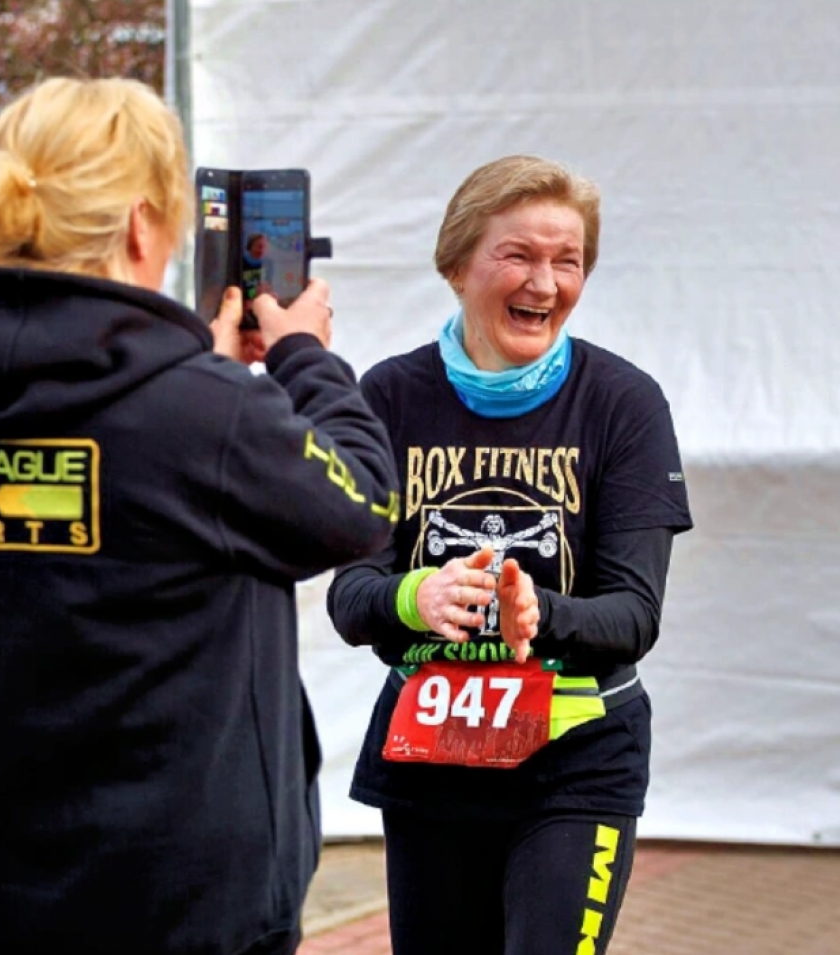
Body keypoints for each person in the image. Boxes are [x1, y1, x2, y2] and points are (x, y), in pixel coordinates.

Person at [0, 77, 399, 955]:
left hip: (7, 902)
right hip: (192, 910)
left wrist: (207, 382)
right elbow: (366, 504)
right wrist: (302, 355)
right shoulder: (204, 414)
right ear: (141, 225)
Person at [327, 154, 693, 955]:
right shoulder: (388, 396)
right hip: (433, 758)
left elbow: (634, 615)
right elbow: (350, 596)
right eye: (519, 255)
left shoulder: (623, 403)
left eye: (568, 261)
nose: (545, 283)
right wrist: (416, 596)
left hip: (576, 763)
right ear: (457, 265)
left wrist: (540, 612)